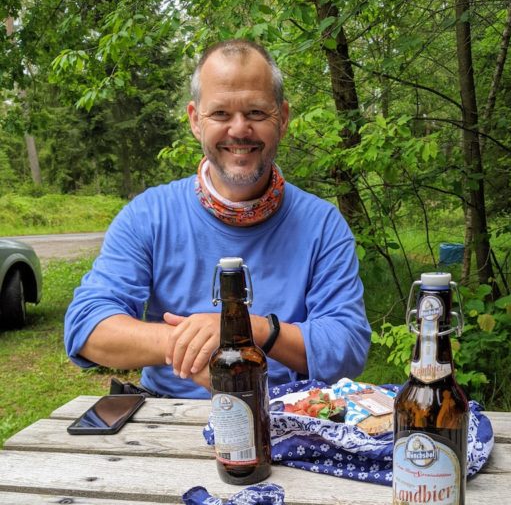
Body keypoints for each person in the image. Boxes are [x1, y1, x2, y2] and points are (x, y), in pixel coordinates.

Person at [64, 39, 371, 397]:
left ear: (283, 119)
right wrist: (190, 344)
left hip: (289, 419)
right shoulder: (148, 215)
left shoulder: (322, 225)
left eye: (256, 113)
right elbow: (87, 328)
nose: (239, 130)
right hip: (168, 417)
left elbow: (348, 348)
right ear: (196, 120)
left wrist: (249, 331)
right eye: (221, 114)